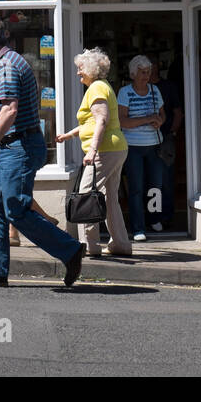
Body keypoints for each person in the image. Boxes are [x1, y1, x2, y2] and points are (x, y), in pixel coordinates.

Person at [0, 17, 84, 287]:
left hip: (18, 147)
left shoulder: (6, 65)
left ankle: (70, 250)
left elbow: (9, 109)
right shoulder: (11, 60)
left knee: (16, 209)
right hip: (16, 146)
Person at [56, 48, 130, 257]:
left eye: (80, 69)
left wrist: (92, 150)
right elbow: (91, 121)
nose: (78, 73)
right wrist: (69, 135)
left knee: (85, 194)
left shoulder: (96, 88)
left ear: (91, 69)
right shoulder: (102, 86)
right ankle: (121, 244)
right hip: (115, 148)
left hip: (105, 150)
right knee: (109, 198)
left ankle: (89, 245)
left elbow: (101, 121)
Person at [117, 55, 166, 242]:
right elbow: (123, 121)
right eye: (142, 72)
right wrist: (147, 119)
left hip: (154, 144)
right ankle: (138, 227)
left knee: (156, 185)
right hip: (133, 146)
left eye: (148, 72)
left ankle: (154, 219)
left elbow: (163, 115)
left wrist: (159, 121)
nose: (146, 76)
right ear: (133, 73)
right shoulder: (125, 92)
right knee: (136, 187)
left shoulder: (155, 90)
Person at [150, 60, 183, 232]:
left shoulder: (168, 87)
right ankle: (153, 217)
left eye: (152, 65)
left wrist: (172, 133)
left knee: (167, 180)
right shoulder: (139, 89)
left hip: (166, 139)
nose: (150, 69)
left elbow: (178, 112)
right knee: (151, 181)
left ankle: (166, 216)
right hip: (146, 140)